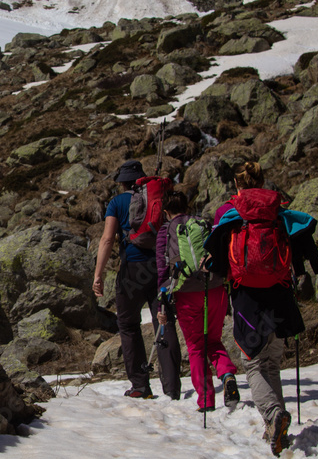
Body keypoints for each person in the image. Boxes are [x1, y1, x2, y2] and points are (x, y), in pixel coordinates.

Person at [204, 162, 318, 456]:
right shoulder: (278, 210)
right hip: (280, 295)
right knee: (271, 362)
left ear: (237, 185)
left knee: (254, 364)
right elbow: (303, 236)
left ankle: (272, 415)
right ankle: (275, 423)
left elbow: (216, 255)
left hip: (247, 298)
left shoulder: (230, 212)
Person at [93, 160, 181, 400]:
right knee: (164, 322)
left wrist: (98, 274)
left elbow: (107, 239)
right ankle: (172, 387)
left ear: (122, 183)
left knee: (128, 325)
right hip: (160, 267)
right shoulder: (160, 198)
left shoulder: (117, 202)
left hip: (131, 269)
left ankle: (140, 385)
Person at [156, 190, 239, 413]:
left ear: (165, 212)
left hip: (186, 293)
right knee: (213, 340)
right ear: (187, 206)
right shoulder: (203, 224)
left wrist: (162, 304)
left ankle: (206, 400)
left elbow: (163, 271)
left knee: (195, 347)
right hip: (214, 289)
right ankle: (227, 374)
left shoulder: (165, 231)